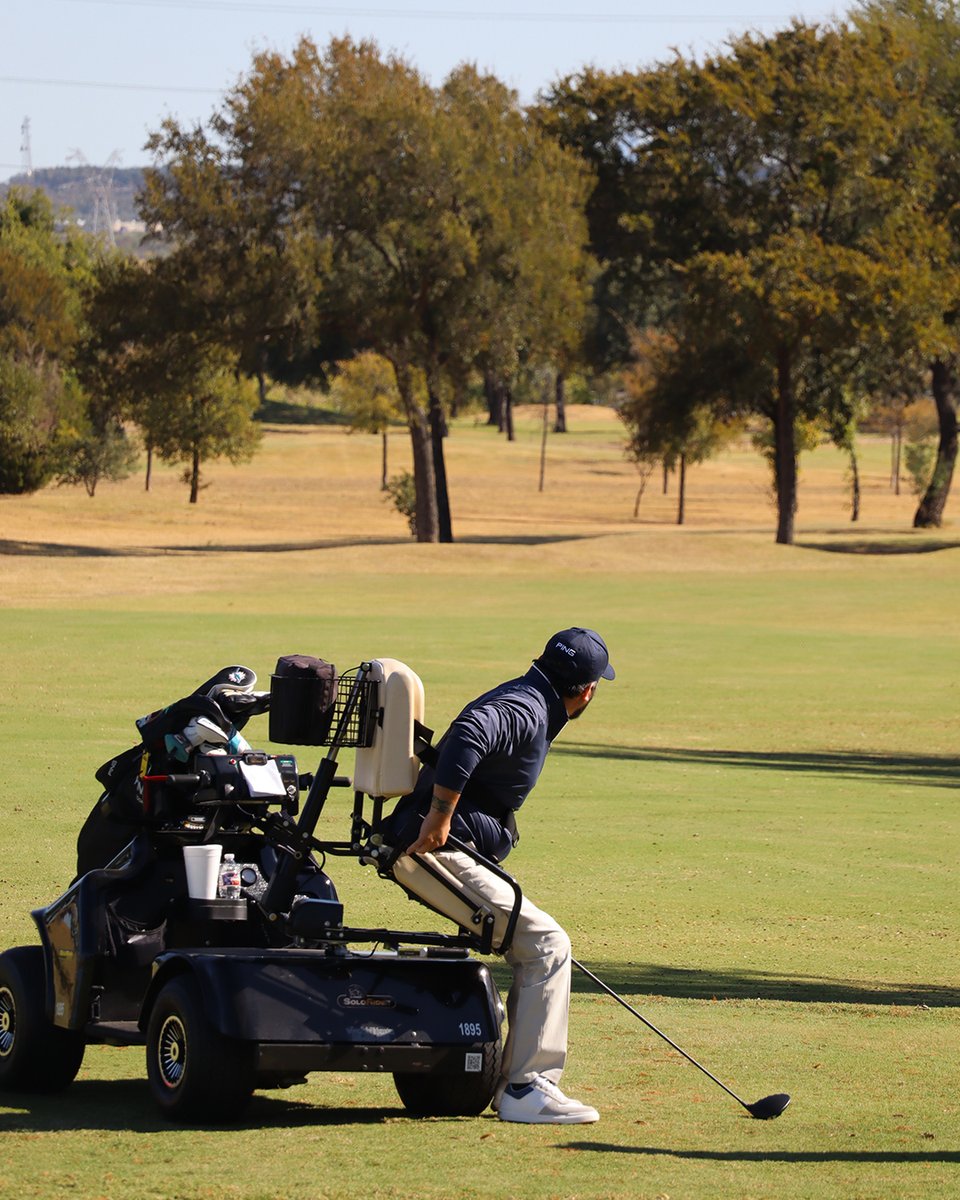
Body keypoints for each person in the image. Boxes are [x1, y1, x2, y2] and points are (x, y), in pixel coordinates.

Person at [382, 627, 615, 1125]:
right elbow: (470, 732)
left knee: (540, 943)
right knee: (548, 945)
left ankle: (518, 1080)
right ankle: (527, 1088)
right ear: (587, 690)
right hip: (435, 850)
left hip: (436, 847)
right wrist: (440, 814)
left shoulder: (528, 695)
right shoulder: (527, 709)